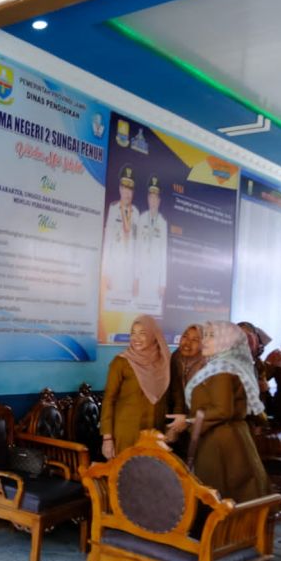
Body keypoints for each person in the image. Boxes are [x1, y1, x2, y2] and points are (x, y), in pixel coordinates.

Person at [166, 321, 269, 502]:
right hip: (227, 438)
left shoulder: (222, 370)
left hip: (221, 444)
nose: (205, 340)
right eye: (205, 335)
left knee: (221, 498)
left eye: (212, 336)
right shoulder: (224, 365)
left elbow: (222, 410)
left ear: (226, 341)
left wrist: (188, 421)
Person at [101, 314, 170, 459]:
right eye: (133, 333)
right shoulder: (121, 362)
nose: (136, 338)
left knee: (152, 476)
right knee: (126, 474)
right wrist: (107, 439)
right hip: (128, 431)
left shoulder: (164, 362)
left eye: (142, 333)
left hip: (155, 430)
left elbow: (173, 396)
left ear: (153, 335)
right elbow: (109, 400)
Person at [101, 165, 140, 310]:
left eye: (130, 189)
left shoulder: (136, 213)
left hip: (129, 276)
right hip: (114, 274)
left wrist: (137, 277)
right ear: (120, 189)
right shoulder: (113, 209)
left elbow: (138, 249)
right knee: (111, 311)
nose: (127, 192)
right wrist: (107, 274)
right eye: (125, 188)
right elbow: (107, 244)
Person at [135, 175, 167, 315]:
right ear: (148, 199)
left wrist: (163, 283)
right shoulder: (141, 219)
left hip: (155, 278)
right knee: (139, 315)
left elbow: (163, 256)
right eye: (151, 197)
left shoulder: (163, 223)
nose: (153, 201)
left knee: (153, 316)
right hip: (141, 277)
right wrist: (135, 277)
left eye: (156, 198)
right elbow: (137, 250)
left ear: (159, 201)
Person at [167, 324, 205, 416]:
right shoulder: (176, 357)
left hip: (200, 419)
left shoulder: (207, 364)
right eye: (185, 336)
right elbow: (176, 392)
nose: (187, 343)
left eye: (195, 340)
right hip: (179, 418)